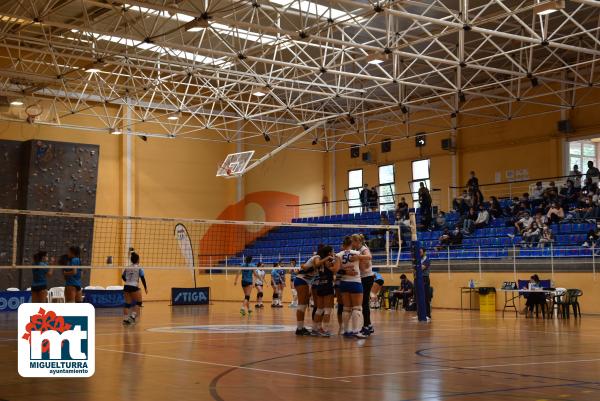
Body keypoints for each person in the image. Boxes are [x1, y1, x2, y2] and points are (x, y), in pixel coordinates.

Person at [333, 236, 366, 338]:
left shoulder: (339, 255)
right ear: (351, 244)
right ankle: (356, 331)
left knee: (346, 308)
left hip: (344, 283)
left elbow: (335, 270)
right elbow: (364, 268)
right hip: (355, 282)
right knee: (357, 308)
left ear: (343, 245)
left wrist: (345, 270)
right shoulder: (357, 253)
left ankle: (346, 331)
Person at [294, 248, 330, 336]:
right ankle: (299, 328)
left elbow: (307, 267)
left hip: (305, 281)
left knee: (303, 305)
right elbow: (316, 264)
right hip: (301, 280)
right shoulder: (317, 257)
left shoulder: (320, 261)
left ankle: (301, 327)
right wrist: (328, 257)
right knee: (301, 305)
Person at [352, 234, 375, 337]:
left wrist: (358, 257)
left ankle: (366, 327)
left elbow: (369, 256)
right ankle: (368, 325)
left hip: (367, 277)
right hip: (363, 277)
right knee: (364, 303)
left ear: (358, 242)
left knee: (364, 303)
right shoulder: (357, 249)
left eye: (353, 241)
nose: (352, 243)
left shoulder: (363, 248)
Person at [313, 246, 336, 336]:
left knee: (319, 309)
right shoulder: (329, 261)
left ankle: (315, 328)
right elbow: (334, 269)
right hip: (327, 285)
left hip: (320, 285)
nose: (334, 252)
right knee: (327, 310)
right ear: (329, 253)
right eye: (332, 251)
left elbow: (316, 265)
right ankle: (324, 330)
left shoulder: (320, 260)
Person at [121, 251, 148, 325]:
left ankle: (126, 320)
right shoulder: (139, 268)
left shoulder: (127, 267)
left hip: (126, 286)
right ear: (137, 260)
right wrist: (145, 288)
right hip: (134, 286)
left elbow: (122, 276)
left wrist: (127, 281)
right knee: (139, 302)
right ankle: (132, 317)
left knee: (127, 304)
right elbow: (142, 278)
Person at [418, 248, 432, 320]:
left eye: (420, 252)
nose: (419, 253)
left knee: (426, 297)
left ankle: (428, 315)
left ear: (424, 252)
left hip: (425, 279)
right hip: (419, 279)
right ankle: (421, 314)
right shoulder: (419, 260)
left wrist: (416, 267)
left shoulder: (427, 260)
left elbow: (421, 268)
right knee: (419, 297)